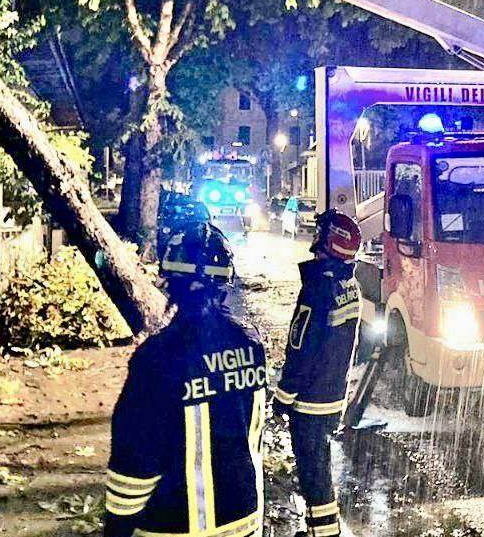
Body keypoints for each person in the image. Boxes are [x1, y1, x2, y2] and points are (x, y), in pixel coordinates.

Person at [104, 223, 267, 537]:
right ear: (225, 283)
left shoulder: (156, 357)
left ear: (170, 283)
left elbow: (134, 461)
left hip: (174, 526)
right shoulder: (251, 344)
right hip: (245, 520)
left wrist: (116, 528)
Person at [271, 209, 363, 537]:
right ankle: (320, 530)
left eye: (320, 232)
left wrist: (283, 398)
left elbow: (301, 348)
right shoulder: (349, 284)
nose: (315, 237)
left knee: (314, 472)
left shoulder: (318, 288)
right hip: (333, 395)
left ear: (329, 241)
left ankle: (324, 533)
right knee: (319, 467)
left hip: (310, 400)